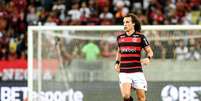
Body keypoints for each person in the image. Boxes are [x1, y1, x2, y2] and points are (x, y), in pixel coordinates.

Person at [114, 13, 153, 101]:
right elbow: (119, 51)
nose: (125, 24)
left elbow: (150, 51)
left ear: (133, 23)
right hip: (124, 71)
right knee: (126, 96)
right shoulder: (120, 37)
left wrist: (148, 58)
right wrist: (117, 63)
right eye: (124, 22)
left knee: (141, 98)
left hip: (137, 71)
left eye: (127, 22)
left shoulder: (141, 37)